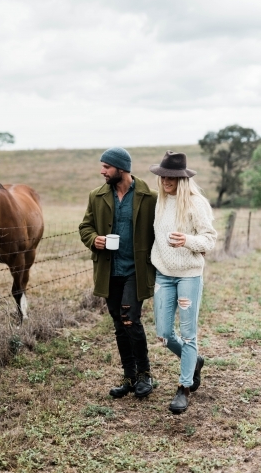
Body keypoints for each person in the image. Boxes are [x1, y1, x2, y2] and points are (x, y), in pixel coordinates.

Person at [79, 147, 157, 398]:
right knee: (118, 323)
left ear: (121, 169)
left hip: (137, 269)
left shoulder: (149, 197)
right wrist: (94, 239)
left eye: (106, 167)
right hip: (109, 270)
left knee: (130, 320)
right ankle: (129, 377)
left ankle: (145, 375)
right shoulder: (96, 196)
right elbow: (85, 226)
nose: (102, 171)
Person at [149, 150, 217, 414]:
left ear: (183, 178)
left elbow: (210, 240)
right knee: (165, 335)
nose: (167, 180)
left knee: (188, 335)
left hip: (189, 275)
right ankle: (195, 361)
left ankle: (184, 387)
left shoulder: (196, 203)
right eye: (164, 175)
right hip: (163, 274)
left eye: (173, 176)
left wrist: (187, 241)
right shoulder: (161, 201)